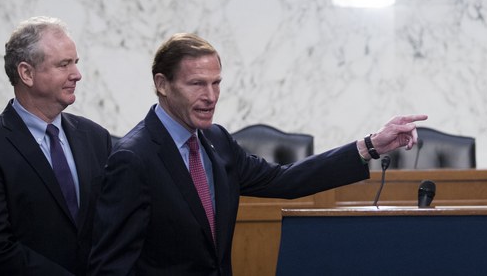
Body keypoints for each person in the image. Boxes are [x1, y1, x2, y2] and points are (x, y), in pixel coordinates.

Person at [88, 32, 427, 275]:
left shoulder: (215, 140)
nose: (211, 96)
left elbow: (285, 180)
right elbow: (111, 266)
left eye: (216, 83)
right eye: (197, 84)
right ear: (162, 84)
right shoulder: (133, 159)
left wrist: (370, 146)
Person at [0, 17, 113, 275]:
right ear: (26, 73)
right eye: (64, 65)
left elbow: (112, 222)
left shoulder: (96, 137)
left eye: (75, 63)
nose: (77, 75)